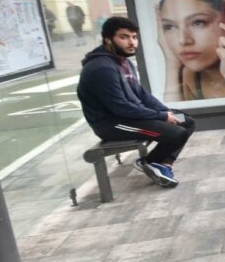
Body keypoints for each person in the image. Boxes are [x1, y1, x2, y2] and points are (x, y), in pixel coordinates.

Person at [76, 16, 195, 188]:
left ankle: (162, 165)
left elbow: (142, 95)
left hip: (132, 117)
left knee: (187, 122)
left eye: (134, 37)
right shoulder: (101, 68)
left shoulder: (124, 63)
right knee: (176, 133)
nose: (131, 42)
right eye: (124, 37)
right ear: (108, 39)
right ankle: (150, 162)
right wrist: (161, 116)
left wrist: (166, 111)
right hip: (114, 125)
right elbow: (120, 108)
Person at [156, 0, 225, 102]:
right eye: (170, 26)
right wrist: (172, 65)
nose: (183, 40)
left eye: (198, 22)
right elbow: (174, 119)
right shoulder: (189, 76)